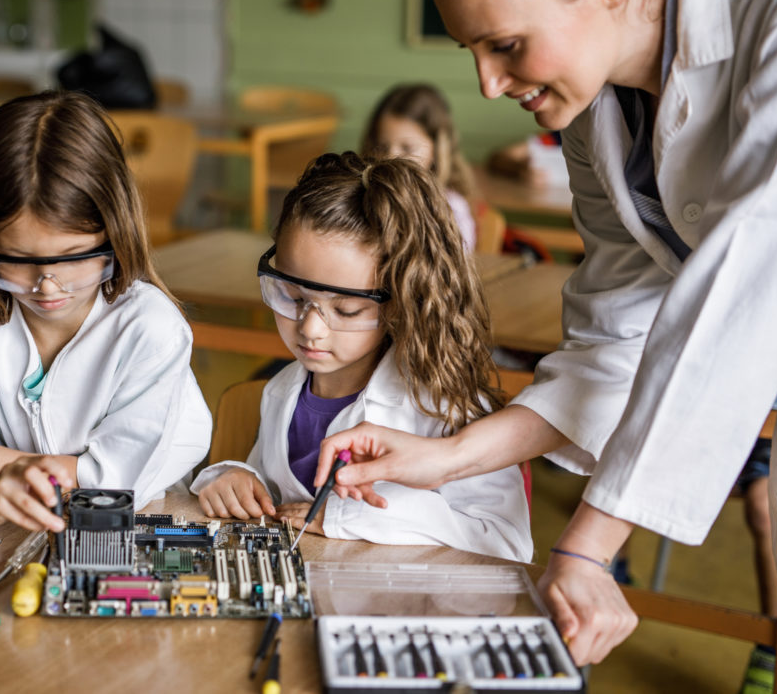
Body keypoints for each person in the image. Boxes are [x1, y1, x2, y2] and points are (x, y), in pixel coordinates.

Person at [312, 0, 777, 668]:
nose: (489, 84)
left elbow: (743, 302)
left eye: (504, 46)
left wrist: (591, 545)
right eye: (472, 51)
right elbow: (613, 340)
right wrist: (455, 455)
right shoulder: (592, 108)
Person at [0, 91, 211, 533]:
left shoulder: (151, 330)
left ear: (117, 230)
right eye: (16, 259)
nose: (47, 286)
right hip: (18, 542)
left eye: (73, 257)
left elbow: (118, 490)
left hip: (143, 534)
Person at [191, 151, 532, 562]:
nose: (310, 328)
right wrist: (233, 477)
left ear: (400, 302)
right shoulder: (282, 390)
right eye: (293, 296)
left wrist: (350, 517)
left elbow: (507, 541)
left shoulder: (446, 408)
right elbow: (272, 496)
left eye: (346, 310)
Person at [361, 84, 478, 250]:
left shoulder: (451, 209)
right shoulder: (363, 198)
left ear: (437, 149)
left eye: (407, 148)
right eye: (382, 147)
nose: (391, 158)